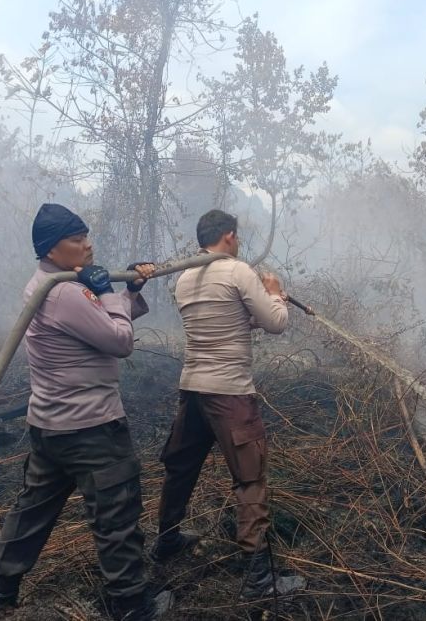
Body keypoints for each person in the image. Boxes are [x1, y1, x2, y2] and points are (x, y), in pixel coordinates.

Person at [0, 203, 160, 620]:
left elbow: (95, 323)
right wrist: (103, 292)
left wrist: (128, 291)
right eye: (76, 240)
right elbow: (119, 340)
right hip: (92, 428)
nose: (88, 245)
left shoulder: (45, 284)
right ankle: (132, 607)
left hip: (49, 426)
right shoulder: (65, 292)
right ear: (50, 248)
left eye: (86, 236)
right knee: (116, 514)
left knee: (32, 510)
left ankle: (1, 594)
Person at [151, 209, 288, 599]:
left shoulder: (184, 278)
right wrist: (275, 292)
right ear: (228, 236)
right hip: (229, 392)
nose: (239, 242)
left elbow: (225, 321)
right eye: (238, 236)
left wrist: (254, 310)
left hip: (193, 389)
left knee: (180, 468)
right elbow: (276, 323)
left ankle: (166, 541)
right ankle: (259, 579)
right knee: (250, 477)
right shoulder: (238, 271)